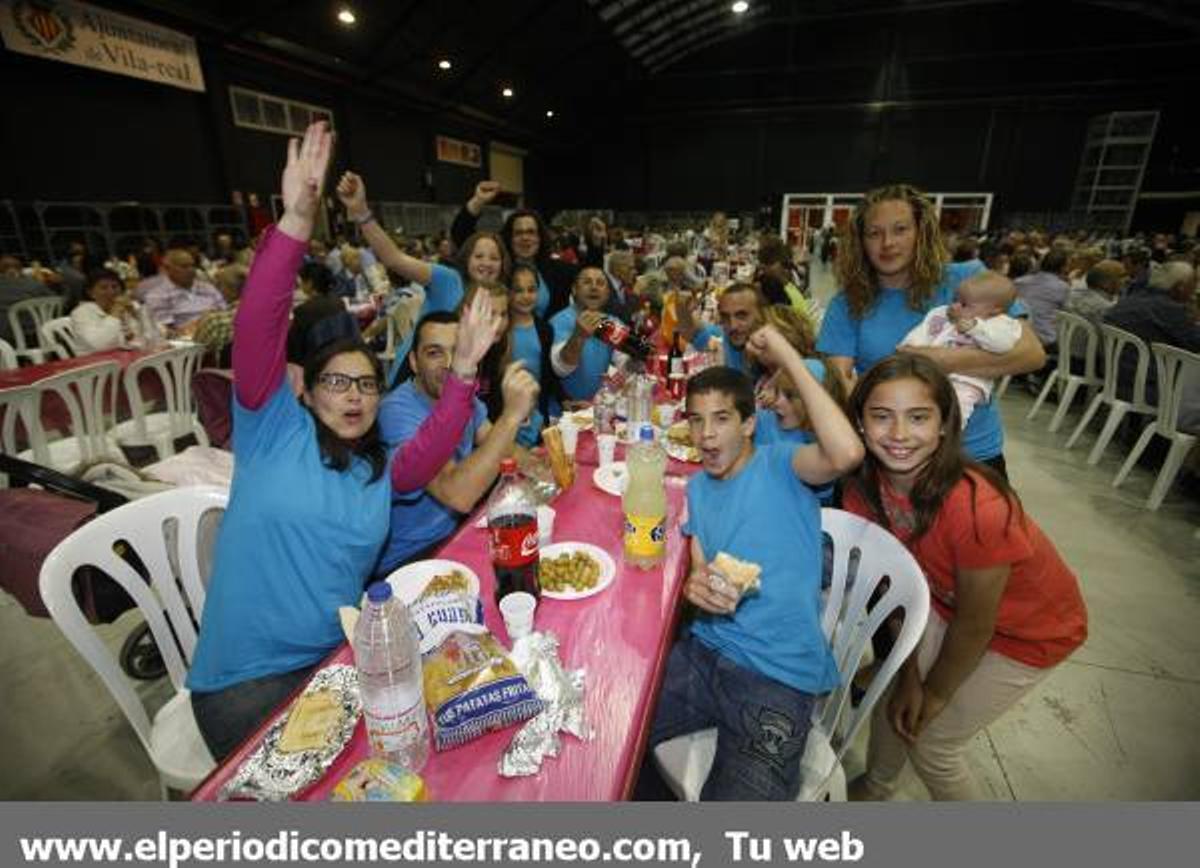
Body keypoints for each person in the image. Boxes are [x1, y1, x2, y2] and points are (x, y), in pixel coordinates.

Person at [186, 123, 504, 761]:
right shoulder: (272, 431)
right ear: (305, 389)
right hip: (245, 684)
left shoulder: (378, 470)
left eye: (366, 384)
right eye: (339, 382)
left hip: (343, 665)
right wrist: (297, 224)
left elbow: (431, 450)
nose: (357, 396)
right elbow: (258, 326)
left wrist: (465, 374)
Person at [842, 354, 1088, 801]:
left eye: (918, 417)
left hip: (1029, 632)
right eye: (881, 417)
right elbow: (895, 592)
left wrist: (934, 693)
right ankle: (877, 785)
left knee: (932, 743)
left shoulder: (976, 505)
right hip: (941, 602)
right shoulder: (862, 489)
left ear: (944, 425)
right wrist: (910, 676)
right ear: (859, 423)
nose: (899, 435)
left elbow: (977, 623)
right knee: (893, 690)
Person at [637, 326, 863, 800]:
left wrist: (785, 354)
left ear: (749, 423)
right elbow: (699, 563)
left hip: (776, 675)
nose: (706, 434)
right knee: (618, 735)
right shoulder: (697, 487)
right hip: (703, 656)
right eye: (696, 421)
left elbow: (846, 452)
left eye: (721, 419)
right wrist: (694, 587)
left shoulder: (783, 465)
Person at [816, 183, 1044, 476]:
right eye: (874, 233)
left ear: (921, 233)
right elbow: (840, 382)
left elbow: (1031, 354)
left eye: (900, 229)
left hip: (971, 453)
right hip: (890, 455)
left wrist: (939, 362)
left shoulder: (967, 282)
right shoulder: (848, 303)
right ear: (860, 242)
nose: (887, 243)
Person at [375, 311, 539, 577]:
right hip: (409, 560)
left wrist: (544, 470)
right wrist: (511, 416)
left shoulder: (465, 399)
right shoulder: (396, 411)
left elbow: (498, 446)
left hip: (457, 535)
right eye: (434, 353)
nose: (450, 363)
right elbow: (457, 494)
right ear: (414, 362)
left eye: (458, 351)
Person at [335, 171, 508, 381]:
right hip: (416, 378)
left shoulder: (500, 300)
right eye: (479, 256)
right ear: (466, 259)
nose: (486, 263)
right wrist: (361, 212)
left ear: (503, 263)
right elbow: (393, 259)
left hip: (464, 383)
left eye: (494, 258)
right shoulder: (447, 279)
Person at [899, 270, 1022, 427]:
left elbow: (1003, 345)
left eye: (964, 304)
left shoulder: (1003, 324)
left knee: (958, 406)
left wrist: (975, 329)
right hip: (930, 373)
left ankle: (949, 432)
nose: (955, 306)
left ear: (994, 310)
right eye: (955, 299)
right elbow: (924, 331)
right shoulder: (942, 314)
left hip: (968, 380)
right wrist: (909, 346)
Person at [450, 180, 577, 318]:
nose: (525, 238)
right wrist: (478, 201)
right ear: (509, 239)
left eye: (531, 232)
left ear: (540, 238)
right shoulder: (497, 269)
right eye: (518, 233)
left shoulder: (561, 271)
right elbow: (461, 234)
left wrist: (596, 245)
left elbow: (594, 283)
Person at [551, 265, 624, 401]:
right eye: (587, 282)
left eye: (600, 283)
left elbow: (624, 362)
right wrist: (578, 335)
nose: (594, 287)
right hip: (565, 413)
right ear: (574, 290)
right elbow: (561, 369)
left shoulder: (612, 322)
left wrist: (638, 356)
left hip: (598, 407)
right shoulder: (559, 321)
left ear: (607, 293)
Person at [509, 264, 559, 445]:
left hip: (538, 414)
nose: (525, 296)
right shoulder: (500, 330)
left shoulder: (545, 330)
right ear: (507, 292)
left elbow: (548, 374)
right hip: (508, 415)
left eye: (531, 290)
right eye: (518, 290)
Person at [677, 281, 766, 376]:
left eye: (741, 316)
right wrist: (682, 306)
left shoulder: (773, 348)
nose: (733, 326)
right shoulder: (722, 338)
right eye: (726, 317)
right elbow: (690, 332)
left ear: (761, 315)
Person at [141, 247, 226, 333]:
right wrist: (201, 324)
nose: (191, 270)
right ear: (167, 269)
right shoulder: (157, 296)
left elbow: (225, 314)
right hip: (187, 341)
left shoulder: (208, 288)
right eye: (184, 266)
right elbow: (166, 331)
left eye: (193, 265)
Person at [68, 268, 143, 352]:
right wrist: (115, 314)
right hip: (96, 362)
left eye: (115, 287)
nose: (111, 291)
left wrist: (136, 315)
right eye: (103, 288)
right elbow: (99, 345)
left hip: (126, 357)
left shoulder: (126, 307)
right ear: (90, 293)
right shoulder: (82, 313)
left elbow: (146, 335)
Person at [1014, 246, 1070, 351]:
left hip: (1019, 336)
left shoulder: (1019, 281)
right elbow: (1067, 314)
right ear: (1063, 268)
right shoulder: (1062, 287)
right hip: (1045, 341)